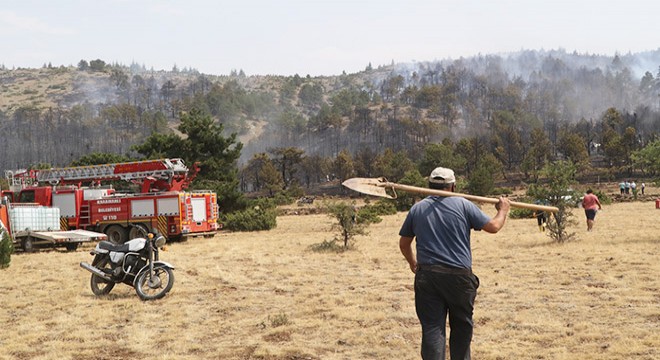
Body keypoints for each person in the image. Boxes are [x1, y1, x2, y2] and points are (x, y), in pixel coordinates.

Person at [398, 167, 510, 360]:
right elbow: (494, 227)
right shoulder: (463, 205)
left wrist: (412, 262)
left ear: (429, 186)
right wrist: (503, 209)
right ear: (453, 186)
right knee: (461, 328)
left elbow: (404, 243)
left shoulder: (417, 209)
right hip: (459, 278)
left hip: (428, 276)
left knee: (432, 328)